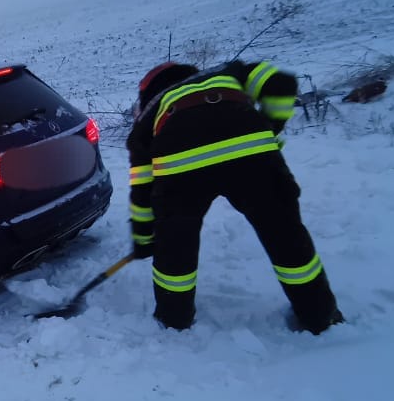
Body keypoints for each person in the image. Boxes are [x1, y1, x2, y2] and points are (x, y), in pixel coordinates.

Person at [126, 59, 343, 334]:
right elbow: (281, 82)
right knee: (286, 236)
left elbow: (142, 188)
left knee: (175, 246)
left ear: (147, 93)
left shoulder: (147, 118)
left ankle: (173, 321)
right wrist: (267, 128)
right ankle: (320, 316)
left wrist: (146, 239)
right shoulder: (231, 71)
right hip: (252, 157)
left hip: (180, 166)